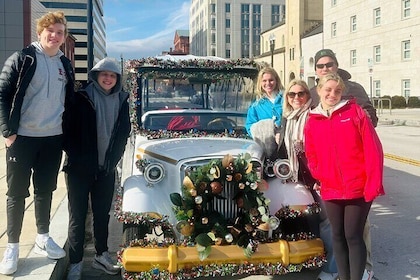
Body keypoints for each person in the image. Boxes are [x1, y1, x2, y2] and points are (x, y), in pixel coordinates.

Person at [0, 11, 74, 275]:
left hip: (52, 139)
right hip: (22, 139)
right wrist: (8, 131)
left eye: (60, 32)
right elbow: (2, 93)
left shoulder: (64, 65)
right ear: (40, 31)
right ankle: (13, 246)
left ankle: (43, 236)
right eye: (51, 31)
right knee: (16, 193)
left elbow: (69, 100)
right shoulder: (23, 58)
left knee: (45, 189)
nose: (55, 36)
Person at [304, 73, 385, 280]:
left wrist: (373, 184)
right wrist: (320, 176)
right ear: (319, 90)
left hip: (358, 186)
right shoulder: (313, 120)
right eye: (328, 90)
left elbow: (373, 150)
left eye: (337, 90)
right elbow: (311, 153)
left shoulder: (354, 112)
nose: (332, 94)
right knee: (337, 236)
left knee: (353, 236)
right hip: (331, 188)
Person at [63, 57, 131, 280]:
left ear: (117, 79)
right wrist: (77, 156)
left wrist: (113, 161)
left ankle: (101, 254)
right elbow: (67, 129)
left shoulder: (122, 100)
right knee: (78, 216)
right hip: (79, 169)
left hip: (106, 170)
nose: (108, 78)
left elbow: (123, 134)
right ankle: (76, 262)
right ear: (96, 75)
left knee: (102, 214)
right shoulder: (82, 97)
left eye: (112, 75)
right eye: (104, 74)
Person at [281, 79, 338, 279]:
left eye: (301, 93)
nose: (297, 98)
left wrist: (320, 176)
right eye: (292, 94)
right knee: (307, 220)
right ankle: (312, 258)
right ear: (287, 98)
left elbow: (326, 149)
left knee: (328, 220)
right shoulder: (286, 119)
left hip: (317, 177)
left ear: (308, 95)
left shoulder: (315, 116)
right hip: (297, 178)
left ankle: (332, 268)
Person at [245, 66, 284, 160]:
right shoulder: (256, 105)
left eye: (271, 80)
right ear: (260, 83)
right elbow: (250, 127)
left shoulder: (286, 99)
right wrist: (267, 131)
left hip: (286, 146)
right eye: (264, 81)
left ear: (276, 81)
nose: (268, 83)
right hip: (266, 149)